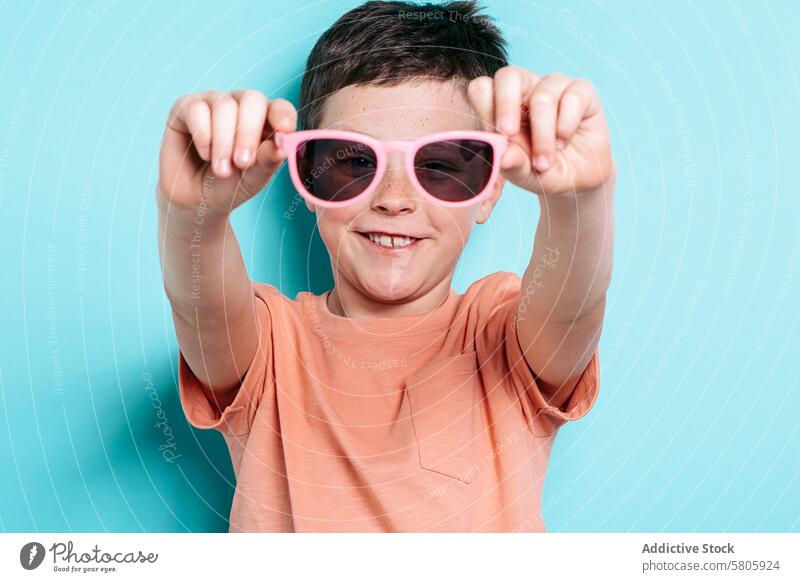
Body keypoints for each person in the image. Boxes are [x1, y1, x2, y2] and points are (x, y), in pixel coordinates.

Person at [156, 0, 615, 532]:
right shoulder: (269, 346)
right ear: (307, 175)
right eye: (354, 162)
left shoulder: (501, 335)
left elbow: (572, 307)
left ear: (489, 190)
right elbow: (199, 305)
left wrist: (581, 203)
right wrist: (194, 214)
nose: (394, 199)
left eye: (439, 166)